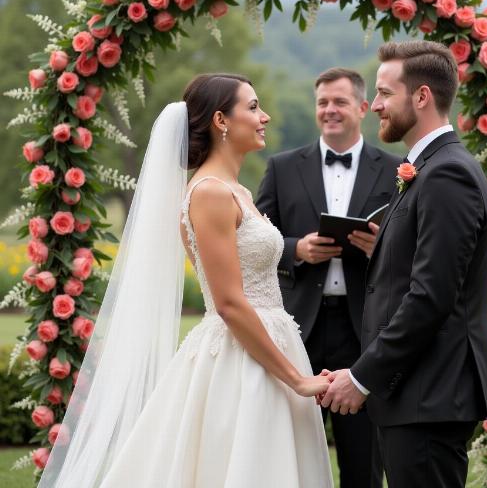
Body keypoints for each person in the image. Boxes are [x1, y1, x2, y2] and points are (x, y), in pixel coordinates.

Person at [38, 74, 333, 488]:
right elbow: (229, 303)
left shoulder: (239, 191)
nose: (263, 116)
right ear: (221, 120)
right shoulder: (211, 193)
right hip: (240, 357)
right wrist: (298, 379)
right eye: (252, 107)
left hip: (273, 341)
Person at [321, 41, 487, 488]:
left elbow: (430, 297)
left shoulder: (447, 174)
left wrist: (362, 377)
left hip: (430, 395)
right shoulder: (426, 168)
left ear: (421, 97)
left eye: (384, 93)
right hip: (412, 394)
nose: (376, 105)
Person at [256, 68, 401, 488]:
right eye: (322, 102)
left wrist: (382, 249)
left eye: (339, 102)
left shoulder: (396, 170)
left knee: (364, 460)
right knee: (289, 453)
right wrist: (295, 249)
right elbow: (255, 235)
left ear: (361, 107)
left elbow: (412, 247)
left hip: (363, 330)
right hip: (297, 328)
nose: (329, 110)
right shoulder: (282, 167)